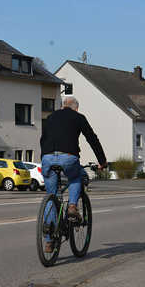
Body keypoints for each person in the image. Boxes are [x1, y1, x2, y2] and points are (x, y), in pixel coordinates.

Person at [40, 96, 107, 253]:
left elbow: (43, 139)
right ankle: (71, 207)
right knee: (76, 177)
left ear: (63, 106)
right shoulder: (78, 117)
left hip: (47, 158)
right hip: (69, 157)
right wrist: (102, 161)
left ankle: (49, 242)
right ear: (76, 108)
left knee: (52, 196)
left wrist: (45, 158)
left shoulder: (50, 117)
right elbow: (92, 138)